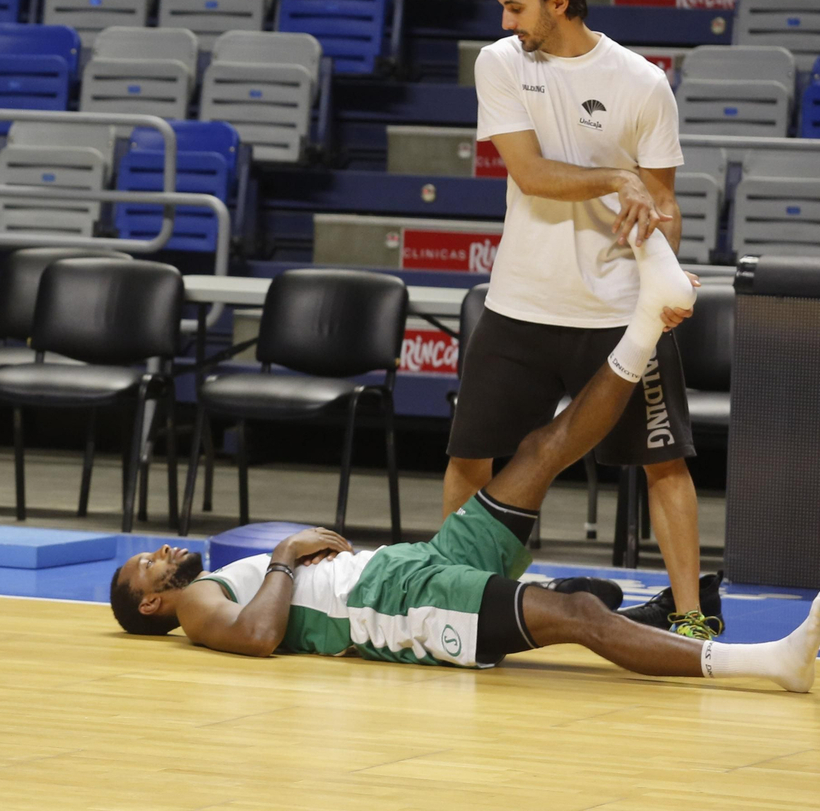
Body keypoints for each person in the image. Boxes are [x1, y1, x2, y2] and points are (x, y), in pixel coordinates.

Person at [110, 234, 820, 691]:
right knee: (576, 613)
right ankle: (766, 665)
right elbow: (261, 635)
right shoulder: (198, 608)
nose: (163, 550)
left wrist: (293, 561)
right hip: (396, 608)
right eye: (148, 564)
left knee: (544, 446)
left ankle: (648, 318)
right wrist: (288, 554)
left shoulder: (209, 585)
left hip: (413, 565)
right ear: (152, 602)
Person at [449, 0, 716, 638]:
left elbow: (665, 204)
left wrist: (664, 265)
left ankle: (690, 616)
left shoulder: (642, 82)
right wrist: (614, 177)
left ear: (558, 3)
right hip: (521, 302)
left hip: (618, 311)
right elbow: (532, 174)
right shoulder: (499, 63)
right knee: (469, 455)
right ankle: (453, 593)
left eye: (516, 7)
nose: (506, 22)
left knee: (665, 462)